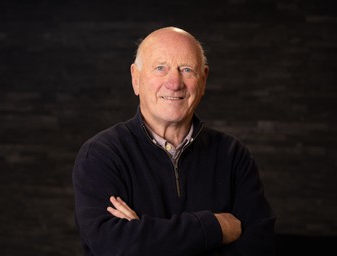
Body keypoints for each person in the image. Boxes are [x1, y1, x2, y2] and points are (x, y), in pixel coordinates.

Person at [72, 26, 276, 256]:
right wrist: (214, 228)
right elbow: (112, 245)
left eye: (187, 69)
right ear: (135, 79)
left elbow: (260, 246)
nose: (174, 82)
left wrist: (144, 237)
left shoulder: (233, 156)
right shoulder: (102, 155)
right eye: (160, 68)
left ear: (203, 79)